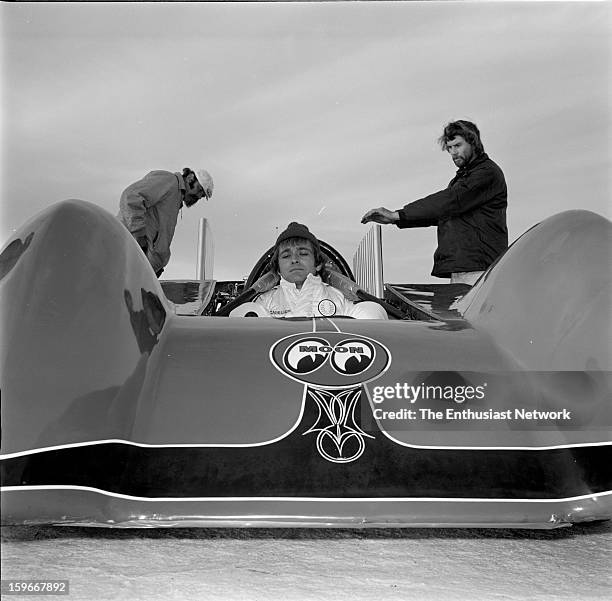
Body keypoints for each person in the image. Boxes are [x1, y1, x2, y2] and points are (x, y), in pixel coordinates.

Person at [361, 120, 507, 285]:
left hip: (480, 268)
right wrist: (397, 219)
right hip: (466, 267)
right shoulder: (464, 179)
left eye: (458, 145)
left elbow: (449, 201)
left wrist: (397, 215)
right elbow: (442, 213)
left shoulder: (485, 174)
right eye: (449, 148)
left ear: (473, 142)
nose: (453, 153)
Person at [238, 222, 387, 319]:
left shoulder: (340, 298)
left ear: (318, 264)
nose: (294, 260)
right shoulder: (263, 302)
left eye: (303, 253)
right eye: (286, 255)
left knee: (373, 310)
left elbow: (371, 320)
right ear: (278, 268)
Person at [118, 167, 214, 277]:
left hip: (140, 268)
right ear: (190, 178)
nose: (198, 196)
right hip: (127, 254)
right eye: (199, 190)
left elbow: (160, 238)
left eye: (201, 196)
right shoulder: (169, 181)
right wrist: (139, 236)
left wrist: (158, 265)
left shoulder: (175, 199)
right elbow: (131, 197)